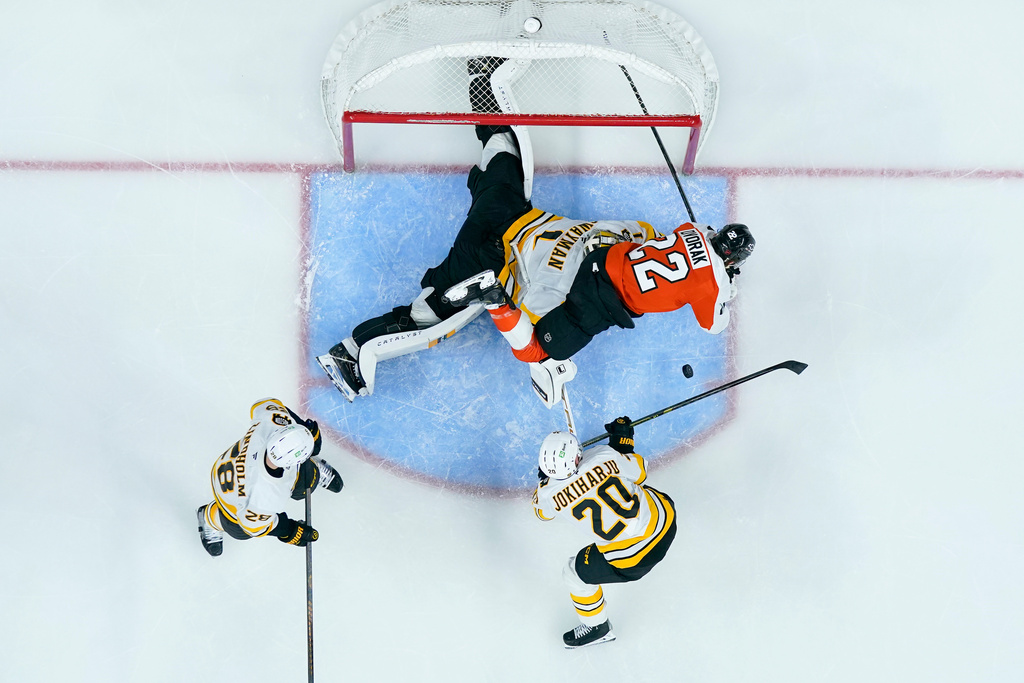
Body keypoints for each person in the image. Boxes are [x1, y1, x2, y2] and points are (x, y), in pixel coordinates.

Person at [317, 56, 754, 406]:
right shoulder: (572, 291)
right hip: (487, 262)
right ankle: (349, 354)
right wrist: (546, 363)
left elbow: (653, 237)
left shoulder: (622, 233)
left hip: (508, 214)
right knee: (427, 320)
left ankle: (485, 75)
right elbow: (531, 346)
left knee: (504, 147)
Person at [533, 417, 675, 648]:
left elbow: (542, 514)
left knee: (574, 573)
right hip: (665, 518)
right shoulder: (602, 455)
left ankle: (598, 628)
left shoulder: (548, 494)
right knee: (631, 485)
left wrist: (545, 482)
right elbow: (641, 472)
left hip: (636, 561)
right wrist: (622, 446)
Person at [196, 397, 343, 557]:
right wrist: (289, 530)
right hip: (229, 498)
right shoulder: (266, 498)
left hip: (226, 466)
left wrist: (302, 427)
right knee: (239, 531)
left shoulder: (271, 424)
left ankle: (312, 468)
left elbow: (263, 405)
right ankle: (208, 517)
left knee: (306, 480)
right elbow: (253, 527)